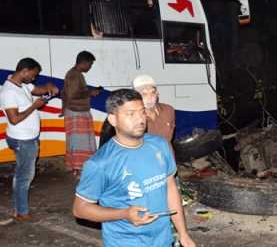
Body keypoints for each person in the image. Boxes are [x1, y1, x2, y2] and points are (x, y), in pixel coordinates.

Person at [73, 89, 195, 247]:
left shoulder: (160, 145)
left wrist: (183, 234)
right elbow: (80, 209)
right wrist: (124, 213)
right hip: (126, 241)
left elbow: (170, 188)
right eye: (130, 114)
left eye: (142, 112)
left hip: (163, 239)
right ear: (113, 119)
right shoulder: (100, 163)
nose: (140, 119)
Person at [0, 58, 59, 221]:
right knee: (24, 176)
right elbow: (14, 119)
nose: (34, 79)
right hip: (22, 140)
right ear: (24, 71)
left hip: (27, 138)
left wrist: (48, 87)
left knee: (22, 174)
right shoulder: (9, 92)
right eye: (33, 75)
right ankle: (21, 212)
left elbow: (37, 89)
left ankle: (18, 207)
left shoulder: (22, 84)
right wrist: (34, 106)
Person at [62, 50, 102, 176]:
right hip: (76, 112)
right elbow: (73, 94)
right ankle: (79, 170)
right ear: (84, 63)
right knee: (81, 142)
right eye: (90, 64)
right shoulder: (74, 75)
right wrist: (90, 93)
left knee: (78, 142)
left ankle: (77, 169)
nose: (90, 67)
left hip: (76, 111)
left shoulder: (75, 74)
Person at [132, 74, 176, 148]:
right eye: (144, 94)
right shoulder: (132, 117)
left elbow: (169, 140)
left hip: (167, 157)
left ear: (157, 94)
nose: (150, 97)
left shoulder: (168, 110)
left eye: (153, 92)